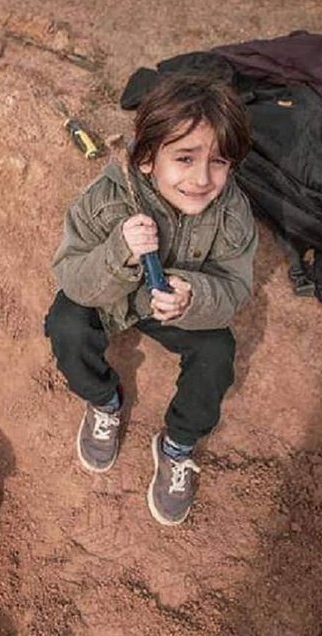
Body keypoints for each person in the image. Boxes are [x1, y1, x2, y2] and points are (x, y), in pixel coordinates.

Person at [45, 75, 255, 526]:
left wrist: (195, 297)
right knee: (66, 322)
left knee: (218, 352)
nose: (202, 179)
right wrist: (119, 251)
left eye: (219, 162)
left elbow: (235, 287)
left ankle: (177, 444)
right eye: (184, 158)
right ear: (145, 160)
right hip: (113, 293)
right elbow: (73, 277)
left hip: (172, 303)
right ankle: (104, 400)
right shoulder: (104, 201)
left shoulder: (233, 211)